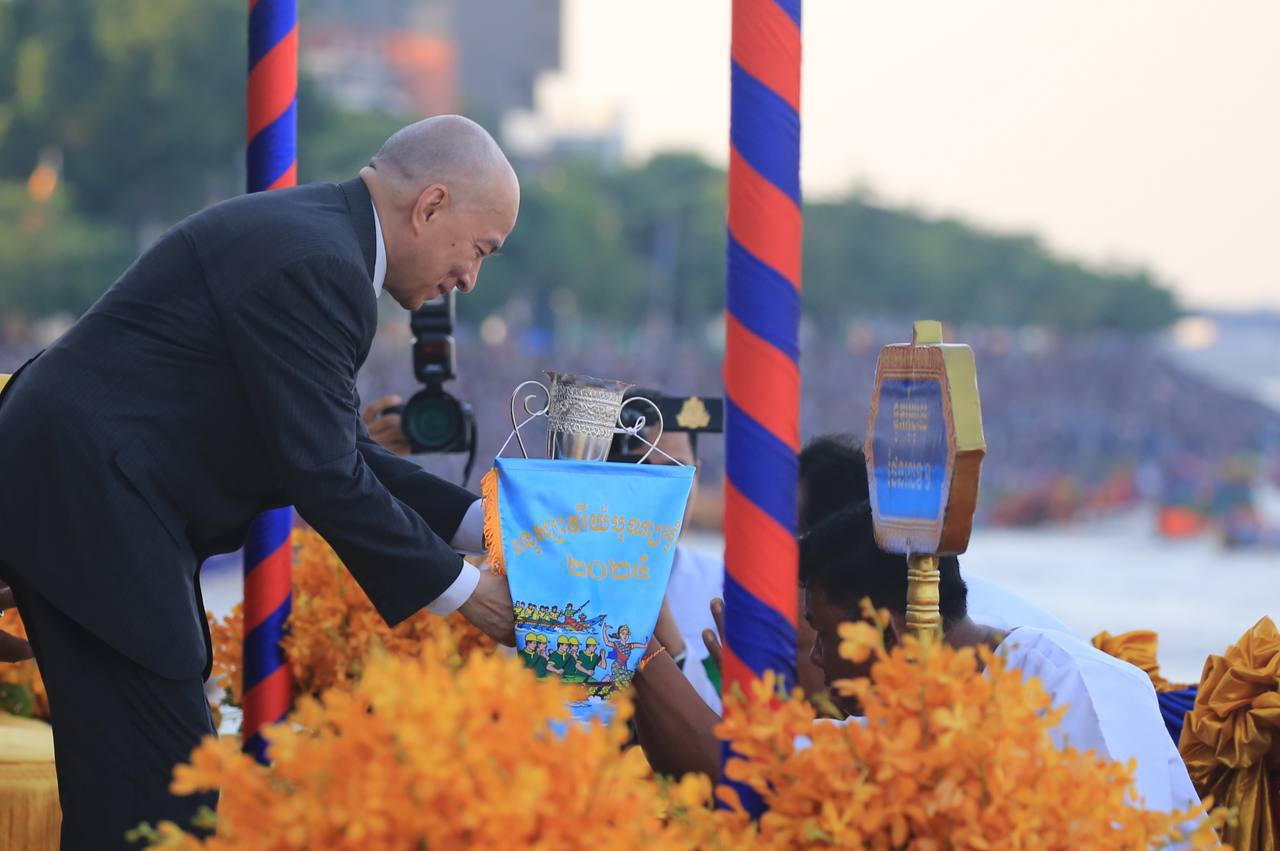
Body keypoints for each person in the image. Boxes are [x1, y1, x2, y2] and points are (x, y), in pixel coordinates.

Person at [0, 115, 519, 848]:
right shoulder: (322, 262)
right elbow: (327, 474)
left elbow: (340, 449)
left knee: (140, 792)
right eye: (480, 249)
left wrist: (492, 525)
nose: (469, 279)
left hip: (82, 493)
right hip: (93, 500)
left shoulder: (319, 239)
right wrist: (473, 595)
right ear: (431, 206)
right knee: (162, 800)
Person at [609, 390, 726, 711]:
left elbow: (732, 719)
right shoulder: (551, 583)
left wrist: (671, 640)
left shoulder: (726, 588)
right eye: (641, 469)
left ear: (697, 474)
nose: (662, 491)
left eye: (676, 469)